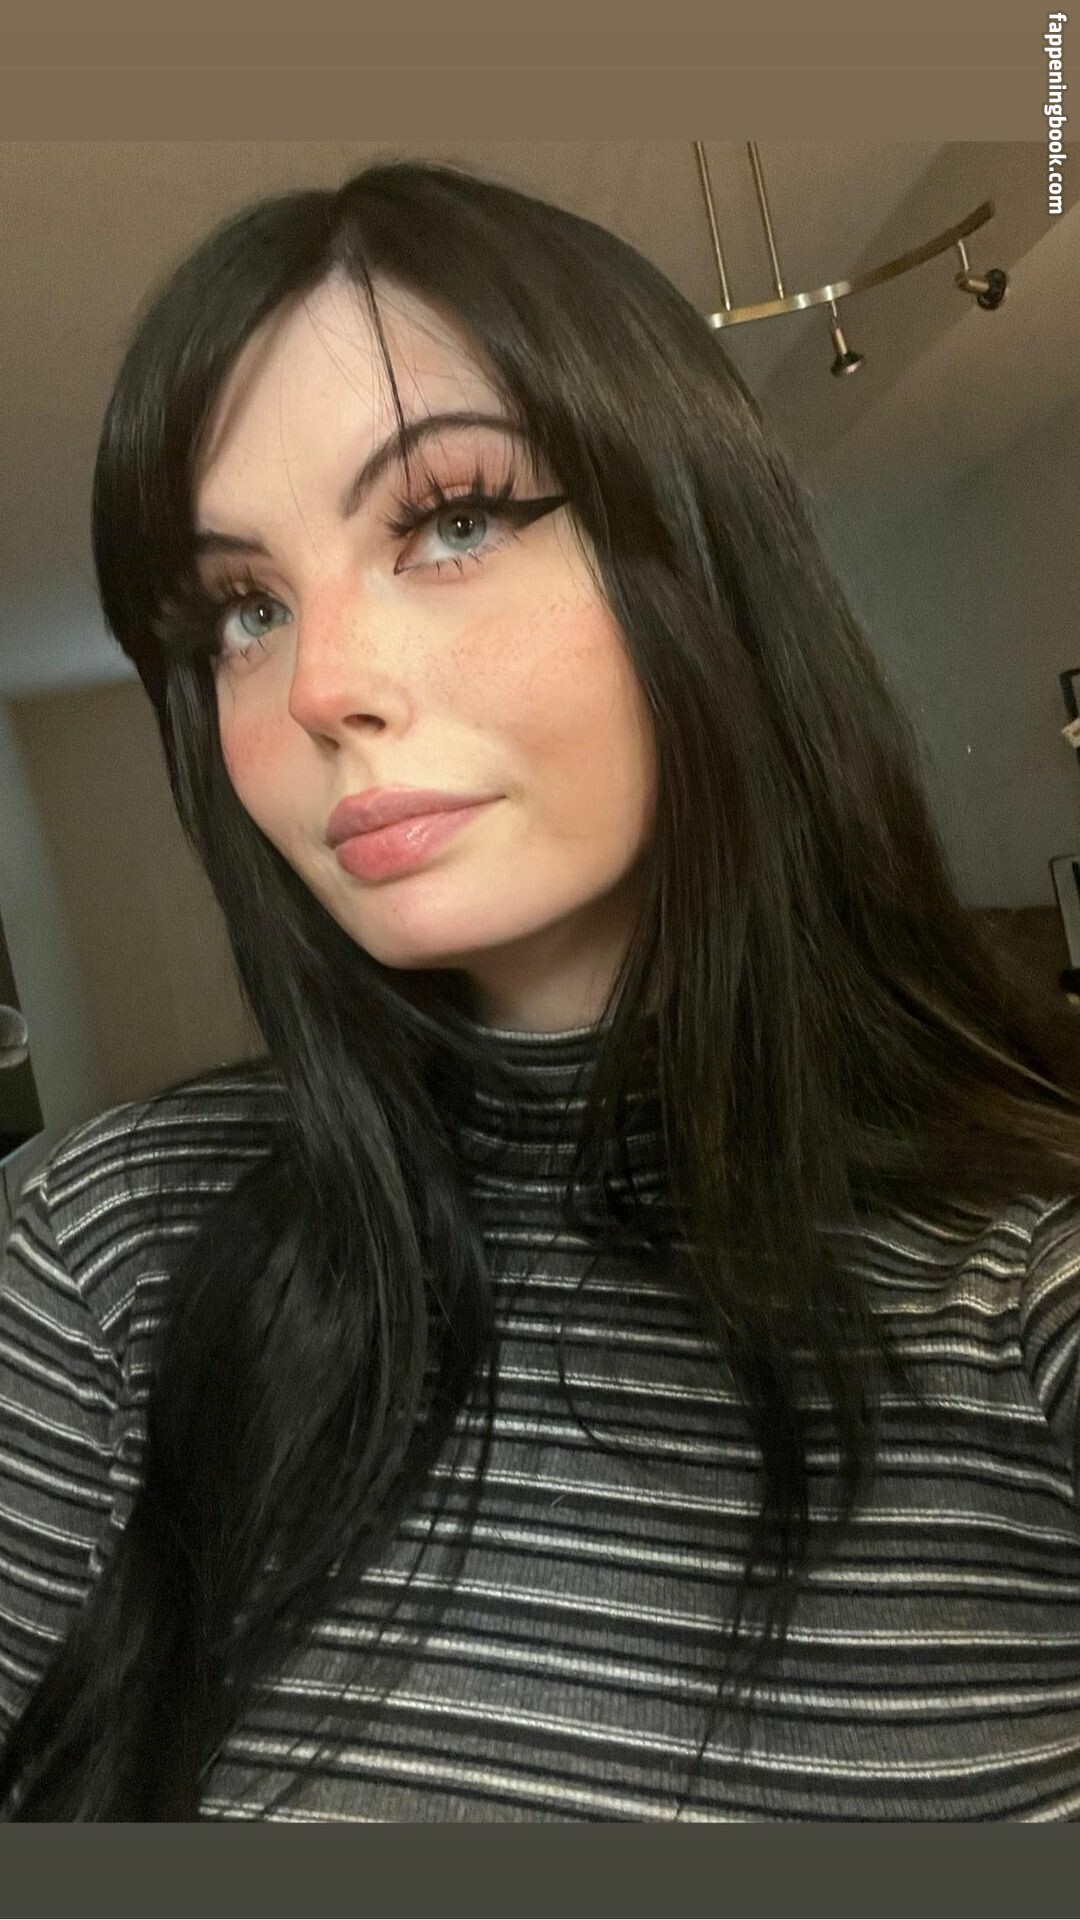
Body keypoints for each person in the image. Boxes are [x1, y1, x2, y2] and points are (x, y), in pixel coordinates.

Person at [3, 157, 1080, 1824]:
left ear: (705, 563)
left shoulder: (1025, 1283)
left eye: (454, 520)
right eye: (245, 609)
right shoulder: (108, 1250)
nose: (318, 688)